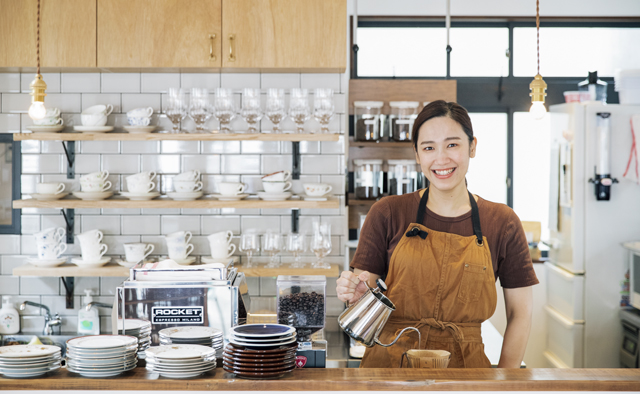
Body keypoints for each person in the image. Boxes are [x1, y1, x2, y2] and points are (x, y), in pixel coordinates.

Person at [336, 100, 538, 368]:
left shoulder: (503, 221)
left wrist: (504, 380)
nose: (441, 159)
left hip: (467, 373)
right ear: (418, 155)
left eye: (452, 145)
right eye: (429, 147)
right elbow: (363, 296)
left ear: (472, 147)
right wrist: (356, 294)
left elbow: (520, 313)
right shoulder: (387, 213)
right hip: (389, 370)